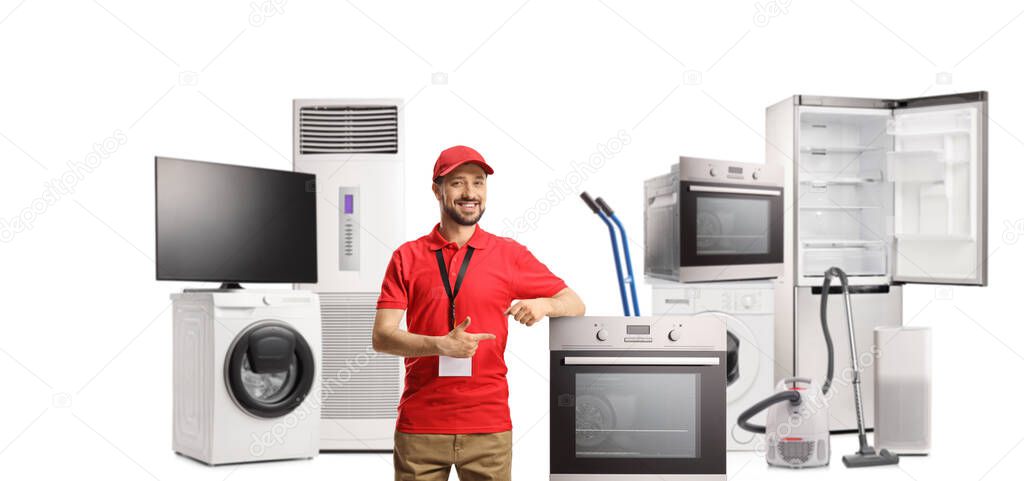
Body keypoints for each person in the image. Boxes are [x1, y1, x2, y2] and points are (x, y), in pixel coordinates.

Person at [372, 145, 585, 481]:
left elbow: (574, 304)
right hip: (421, 427)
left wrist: (543, 305)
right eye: (457, 183)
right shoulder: (407, 257)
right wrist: (441, 345)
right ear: (436, 190)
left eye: (478, 182)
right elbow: (382, 337)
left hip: (489, 429)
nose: (470, 193)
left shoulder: (509, 255)